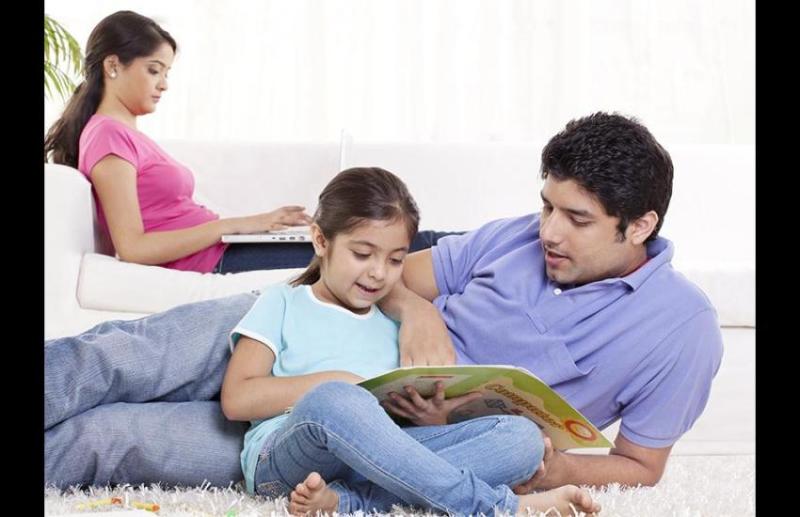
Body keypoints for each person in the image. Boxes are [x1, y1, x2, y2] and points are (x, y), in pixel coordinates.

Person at [45, 112, 723, 494]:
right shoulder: (515, 235)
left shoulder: (682, 330)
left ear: (640, 225)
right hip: (331, 323)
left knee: (111, 439)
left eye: (576, 219)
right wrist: (419, 311)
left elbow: (641, 466)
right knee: (117, 355)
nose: (547, 231)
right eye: (546, 206)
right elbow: (390, 278)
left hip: (382, 434)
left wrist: (555, 466)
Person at [220, 166, 598, 515]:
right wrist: (339, 385)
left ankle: (351, 502)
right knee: (334, 399)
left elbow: (395, 439)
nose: (378, 273)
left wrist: (432, 418)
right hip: (286, 461)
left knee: (522, 439)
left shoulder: (397, 324)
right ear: (320, 240)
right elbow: (237, 399)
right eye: (362, 254)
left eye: (396, 260)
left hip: (375, 466)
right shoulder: (283, 301)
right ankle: (498, 508)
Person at [42, 11, 449, 273]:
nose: (164, 84)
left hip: (223, 249)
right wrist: (234, 226)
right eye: (154, 70)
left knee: (374, 242)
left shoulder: (124, 135)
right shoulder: (108, 135)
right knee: (379, 247)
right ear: (113, 65)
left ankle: (464, 247)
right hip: (215, 260)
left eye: (166, 72)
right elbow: (132, 248)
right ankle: (465, 247)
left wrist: (250, 226)